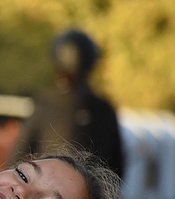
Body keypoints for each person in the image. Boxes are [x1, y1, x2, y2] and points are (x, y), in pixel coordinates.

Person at [11, 30, 124, 179]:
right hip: (90, 198)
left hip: (47, 192)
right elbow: (117, 168)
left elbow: (17, 156)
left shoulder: (45, 104)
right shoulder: (104, 110)